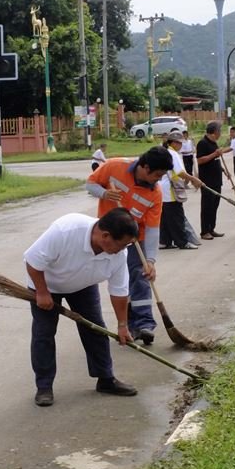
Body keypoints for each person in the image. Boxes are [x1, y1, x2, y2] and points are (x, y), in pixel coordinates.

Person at [24, 208, 140, 406]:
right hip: (47, 285)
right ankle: (44, 386)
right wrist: (42, 292)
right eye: (120, 245)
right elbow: (33, 260)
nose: (122, 250)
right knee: (44, 333)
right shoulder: (66, 230)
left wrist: (122, 324)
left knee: (96, 329)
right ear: (105, 236)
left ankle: (106, 379)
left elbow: (119, 290)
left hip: (83, 285)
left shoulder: (119, 254)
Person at [86, 146, 171, 345]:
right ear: (146, 167)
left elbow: (152, 229)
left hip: (134, 239)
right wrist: (105, 194)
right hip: (108, 236)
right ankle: (129, 323)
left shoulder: (155, 194)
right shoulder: (114, 166)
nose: (158, 180)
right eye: (157, 175)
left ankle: (144, 324)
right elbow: (90, 184)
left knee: (142, 275)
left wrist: (150, 260)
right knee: (119, 281)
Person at [159, 131, 202, 250]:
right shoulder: (173, 154)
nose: (181, 145)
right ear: (173, 143)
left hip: (162, 190)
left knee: (165, 217)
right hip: (171, 190)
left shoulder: (164, 152)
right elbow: (180, 172)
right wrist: (194, 179)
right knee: (177, 217)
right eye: (179, 143)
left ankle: (165, 241)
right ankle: (182, 242)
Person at [196, 121, 232, 239]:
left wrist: (224, 170)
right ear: (214, 132)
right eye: (219, 131)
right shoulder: (202, 143)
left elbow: (216, 160)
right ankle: (204, 231)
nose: (220, 133)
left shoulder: (214, 143)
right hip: (207, 181)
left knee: (215, 205)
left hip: (217, 179)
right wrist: (214, 154)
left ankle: (211, 228)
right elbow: (200, 160)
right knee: (207, 206)